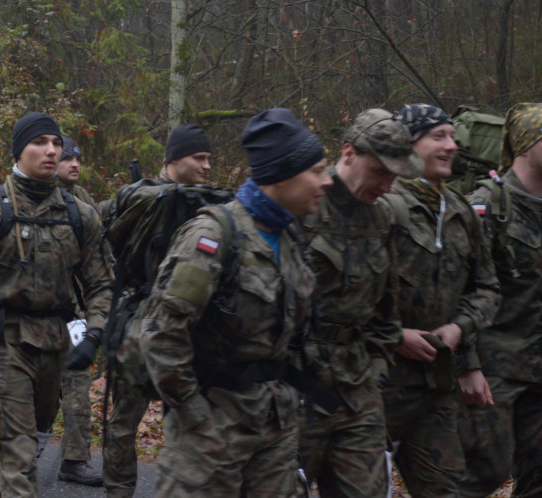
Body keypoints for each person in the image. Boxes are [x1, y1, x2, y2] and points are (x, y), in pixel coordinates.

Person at [137, 107, 331, 496]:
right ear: (283, 175)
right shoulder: (213, 237)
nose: (327, 182)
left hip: (274, 434)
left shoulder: (292, 238)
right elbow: (161, 335)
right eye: (317, 171)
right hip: (209, 438)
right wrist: (196, 419)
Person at [0, 111, 112, 498]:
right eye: (39, 143)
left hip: (55, 347)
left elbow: (101, 282)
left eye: (56, 143)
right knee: (18, 456)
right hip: (2, 345)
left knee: (22, 451)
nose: (51, 151)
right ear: (19, 151)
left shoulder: (79, 215)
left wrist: (94, 335)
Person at [297, 109, 422, 496]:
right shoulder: (302, 206)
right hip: (299, 384)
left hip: (359, 386)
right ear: (348, 153)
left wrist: (378, 369)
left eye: (395, 176)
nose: (387, 186)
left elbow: (387, 307)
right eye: (380, 172)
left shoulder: (382, 218)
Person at [380, 103, 500, 497]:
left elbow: (485, 289)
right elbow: (349, 295)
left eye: (452, 136)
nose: (451, 146)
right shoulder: (381, 205)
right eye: (438, 137)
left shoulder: (462, 210)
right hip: (375, 385)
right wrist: (395, 336)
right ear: (408, 145)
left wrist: (460, 333)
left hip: (435, 390)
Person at [103, 122, 215, 497]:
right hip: (138, 322)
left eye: (209, 159)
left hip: (185, 325)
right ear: (174, 158)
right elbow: (112, 238)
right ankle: (119, 490)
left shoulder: (204, 204)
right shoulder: (143, 196)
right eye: (199, 158)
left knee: (185, 417)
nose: (207, 166)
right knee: (124, 418)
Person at [460, 103, 542, 497]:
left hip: (539, 367)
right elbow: (459, 292)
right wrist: (466, 365)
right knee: (482, 474)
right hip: (496, 370)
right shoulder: (487, 207)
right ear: (525, 144)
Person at [53, 135, 102, 486]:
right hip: (32, 314)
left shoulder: (83, 201)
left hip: (74, 312)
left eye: (77, 159)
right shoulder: (27, 197)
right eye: (68, 158)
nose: (74, 164)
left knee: (77, 383)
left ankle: (75, 459)